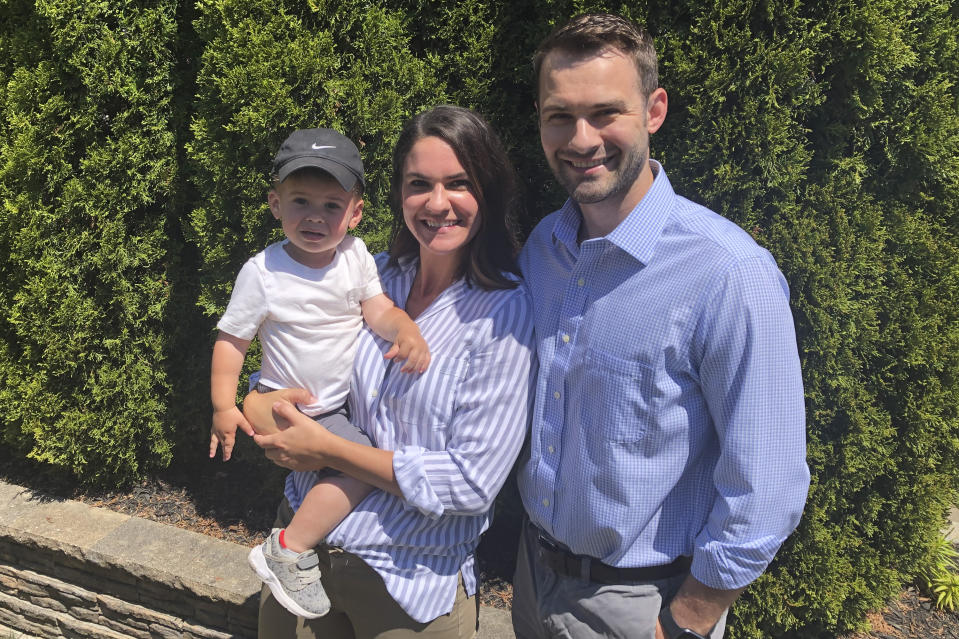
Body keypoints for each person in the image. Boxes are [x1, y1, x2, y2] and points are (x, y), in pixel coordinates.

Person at [512, 13, 810, 639]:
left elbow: (769, 485)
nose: (582, 138)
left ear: (654, 110)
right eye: (559, 116)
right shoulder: (544, 249)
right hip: (533, 579)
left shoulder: (727, 273)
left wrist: (686, 623)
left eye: (605, 112)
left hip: (642, 605)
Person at [243, 105, 535, 638]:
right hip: (302, 556)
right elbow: (295, 358)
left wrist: (331, 451)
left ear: (487, 193)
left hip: (409, 585)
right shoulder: (369, 275)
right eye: (419, 183)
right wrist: (258, 401)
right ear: (399, 194)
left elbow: (470, 484)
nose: (438, 202)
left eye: (460, 183)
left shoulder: (507, 314)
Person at [210, 127, 430, 619]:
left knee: (354, 464)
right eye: (300, 201)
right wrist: (225, 406)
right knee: (365, 465)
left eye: (332, 206)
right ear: (274, 203)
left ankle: (298, 542)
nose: (315, 216)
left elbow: (377, 308)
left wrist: (405, 328)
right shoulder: (262, 272)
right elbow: (232, 341)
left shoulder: (354, 257)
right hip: (285, 403)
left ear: (355, 213)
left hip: (331, 406)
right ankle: (289, 548)